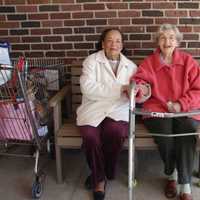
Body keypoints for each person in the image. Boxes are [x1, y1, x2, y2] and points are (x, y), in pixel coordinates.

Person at [131, 24, 200, 200]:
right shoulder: (149, 62)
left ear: (177, 42)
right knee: (164, 134)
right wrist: (141, 90)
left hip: (184, 109)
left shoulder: (188, 61)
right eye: (162, 37)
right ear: (158, 42)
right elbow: (138, 83)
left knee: (187, 130)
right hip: (157, 109)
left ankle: (185, 185)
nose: (167, 41)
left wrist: (180, 104)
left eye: (171, 37)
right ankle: (172, 174)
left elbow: (198, 89)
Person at [76, 28, 137, 200]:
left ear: (122, 45)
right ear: (102, 44)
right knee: (90, 137)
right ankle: (100, 179)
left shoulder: (131, 66)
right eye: (109, 40)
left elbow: (134, 92)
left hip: (118, 110)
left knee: (116, 132)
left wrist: (139, 91)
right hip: (93, 109)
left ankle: (102, 172)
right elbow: (87, 88)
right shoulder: (91, 61)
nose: (114, 44)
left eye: (118, 41)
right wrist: (119, 89)